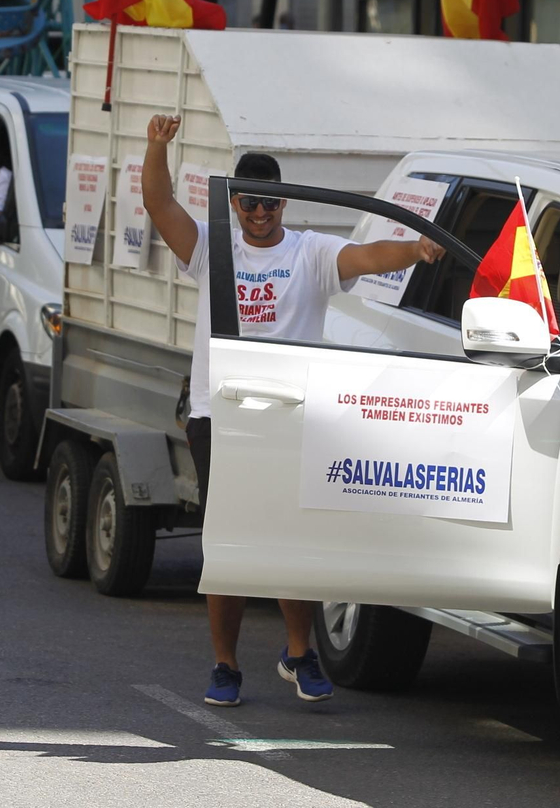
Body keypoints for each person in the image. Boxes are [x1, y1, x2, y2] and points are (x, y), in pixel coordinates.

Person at [141, 113, 445, 708]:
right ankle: (225, 666)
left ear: (284, 204)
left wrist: (417, 247)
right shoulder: (211, 249)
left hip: (289, 415)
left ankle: (299, 654)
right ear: (235, 204)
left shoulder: (310, 253)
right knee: (226, 542)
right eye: (249, 204)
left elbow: (367, 256)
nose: (259, 214)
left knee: (289, 538)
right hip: (219, 415)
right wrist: (157, 147)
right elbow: (158, 202)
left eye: (270, 205)